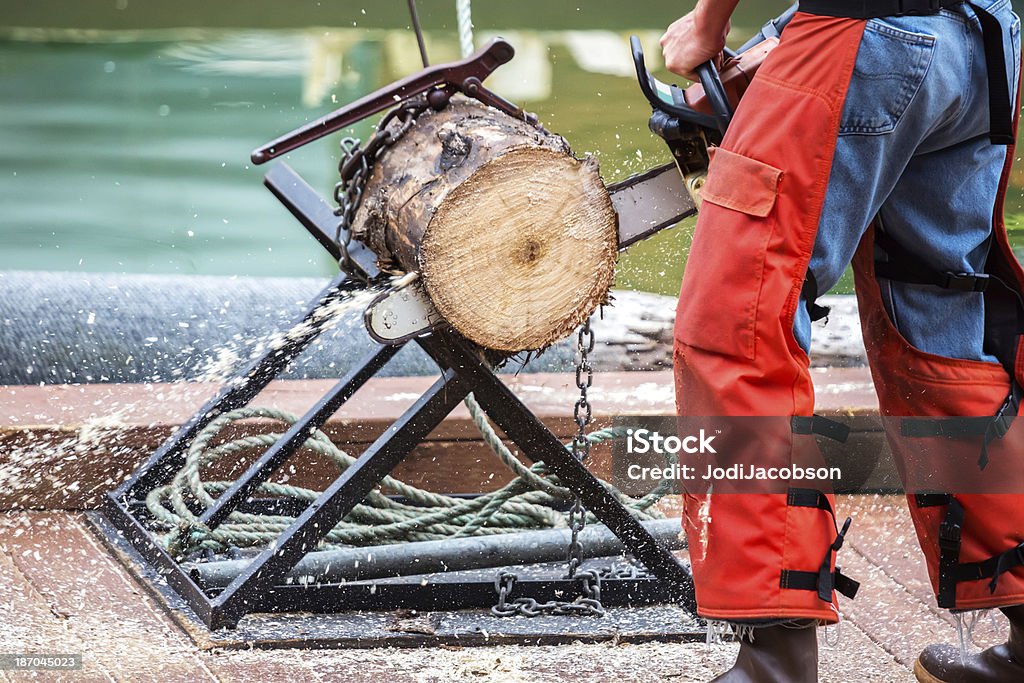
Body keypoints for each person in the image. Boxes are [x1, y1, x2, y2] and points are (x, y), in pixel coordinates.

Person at [661, 0, 1024, 681]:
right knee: (944, 324)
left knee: (737, 322)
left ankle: (774, 662)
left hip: (867, 31)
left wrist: (712, 21)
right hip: (980, 39)